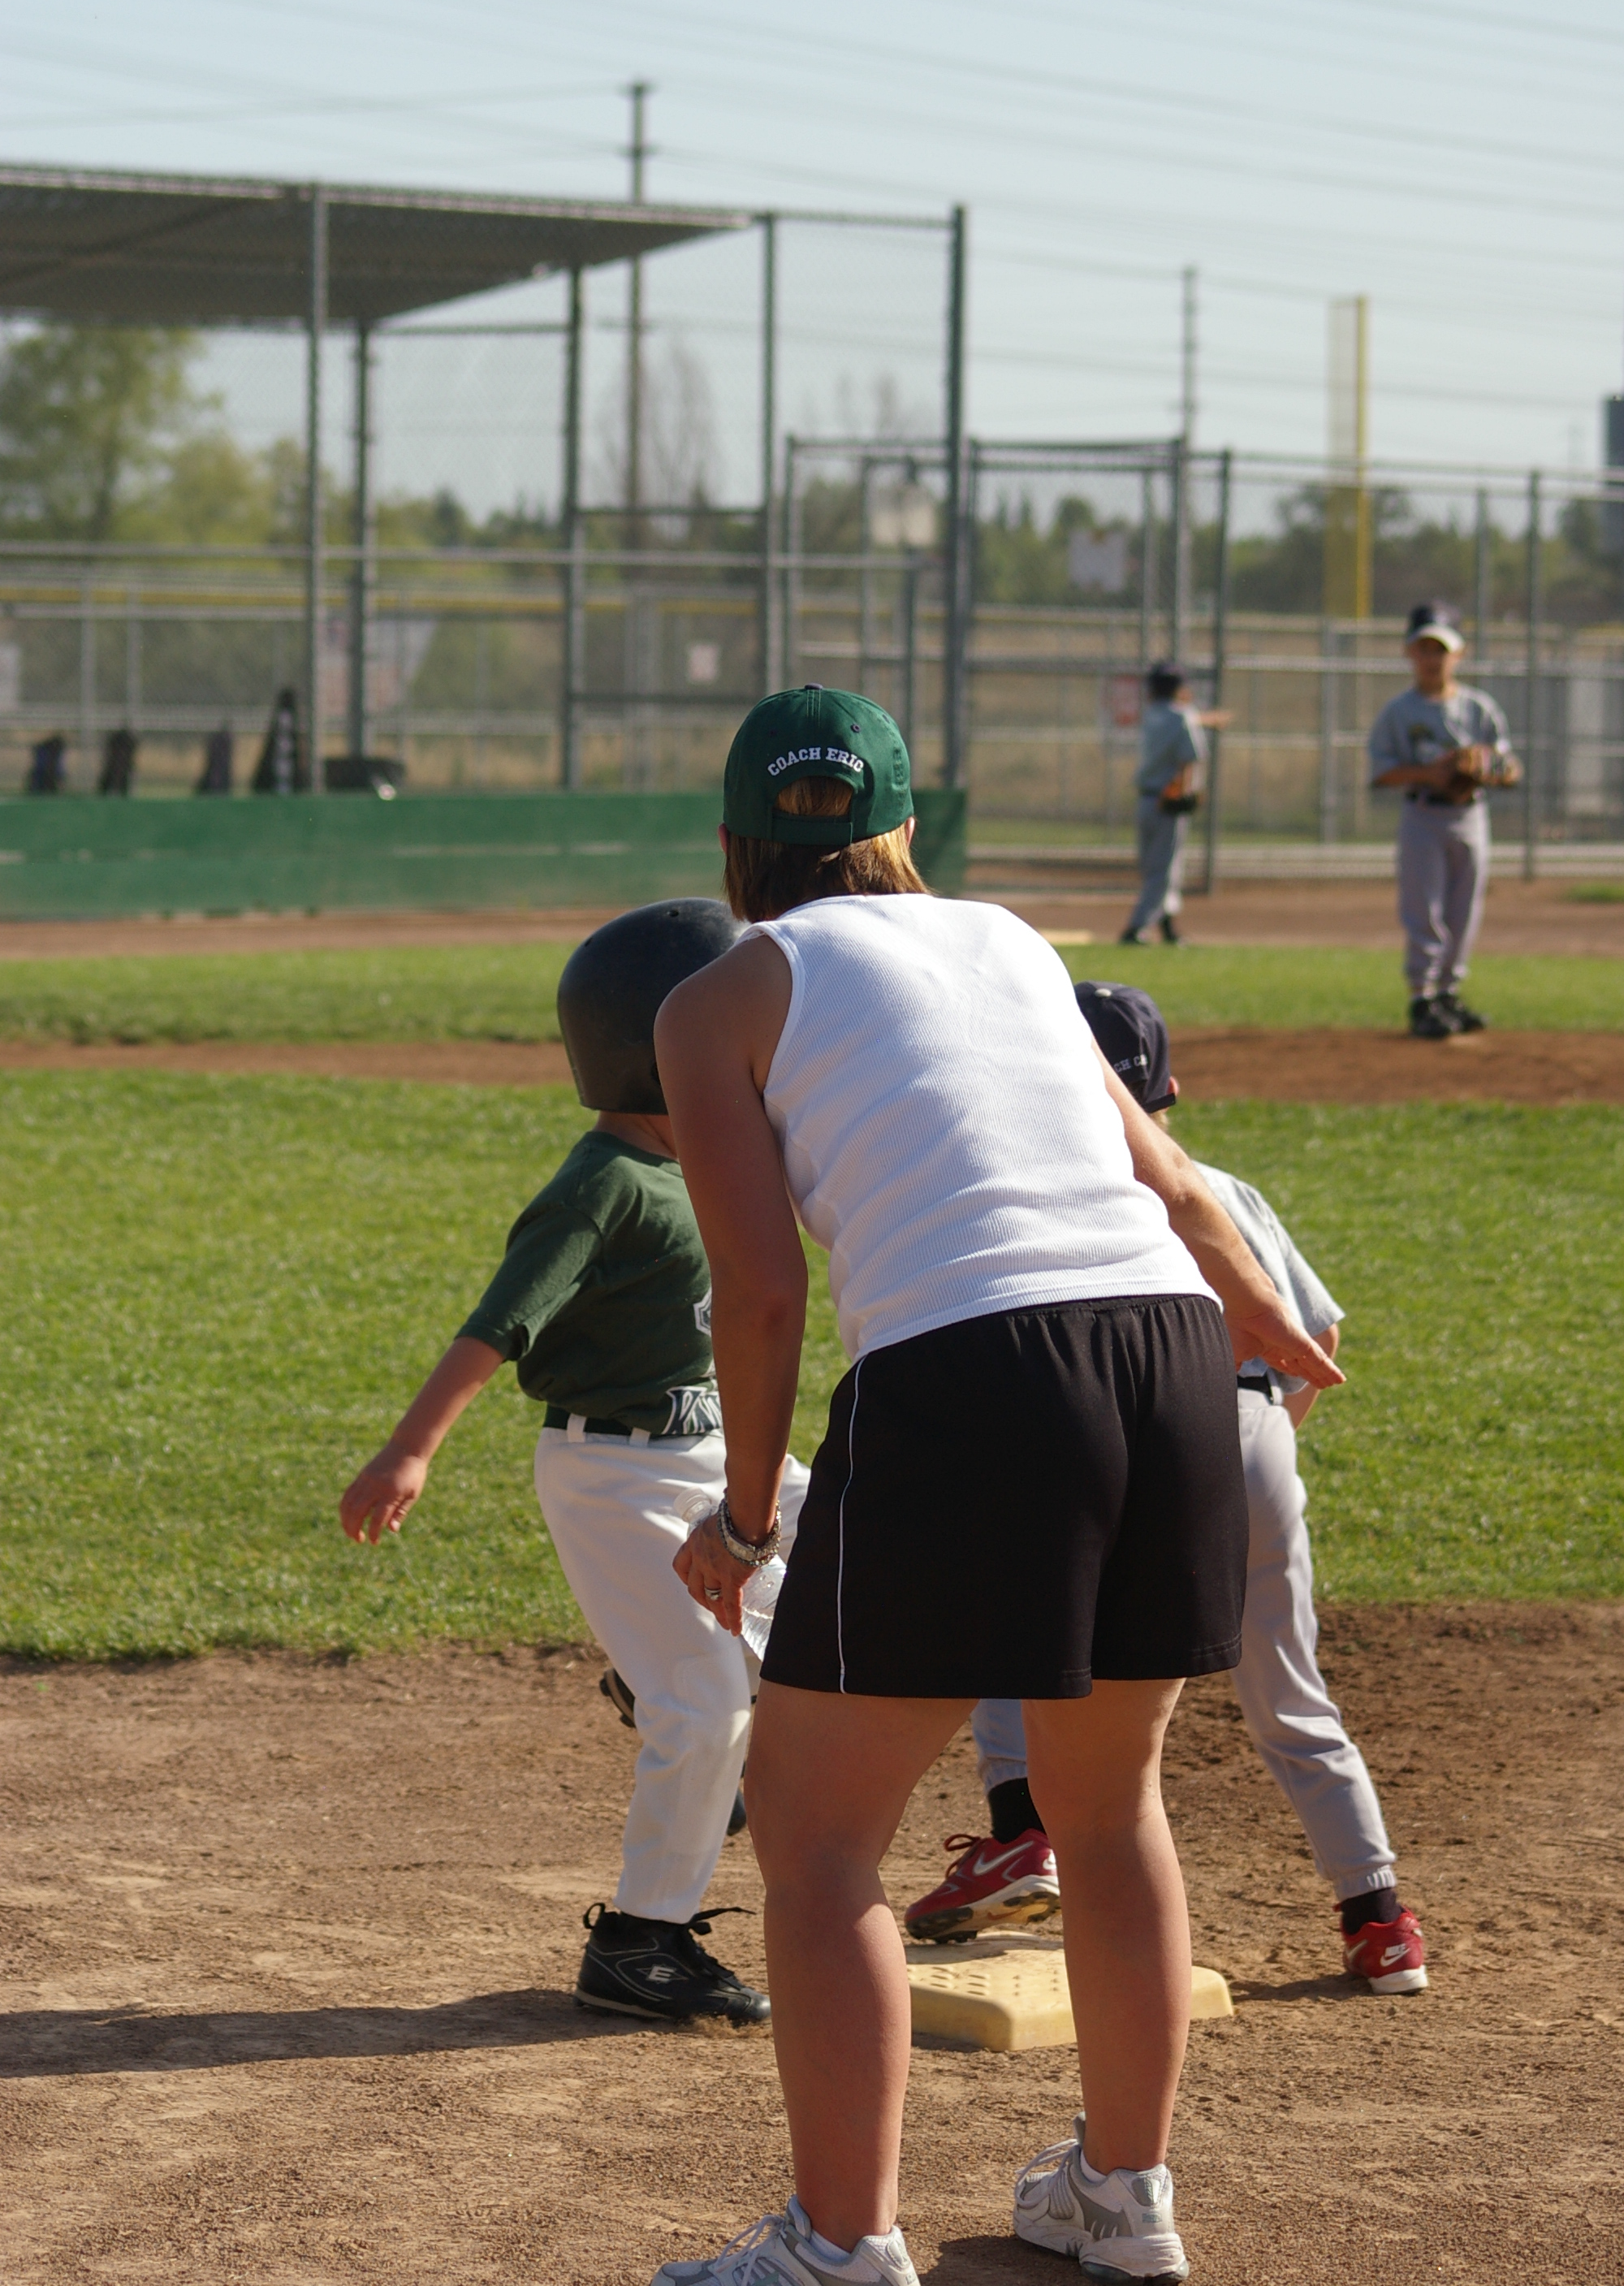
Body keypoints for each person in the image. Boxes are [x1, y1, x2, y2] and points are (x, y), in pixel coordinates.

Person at [650, 686, 1341, 2286]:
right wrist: (1265, 1321)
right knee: (1109, 1808)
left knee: (819, 1835)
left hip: (973, 1372)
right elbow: (1173, 1182)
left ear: (736, 842)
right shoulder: (1011, 940)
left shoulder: (717, 996)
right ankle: (1121, 2195)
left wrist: (745, 1517)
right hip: (1169, 1353)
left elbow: (759, 1292)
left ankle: (839, 2242)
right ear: (903, 825)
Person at [338, 898, 809, 2028]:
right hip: (618, 1475)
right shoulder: (604, 1182)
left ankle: (653, 1686)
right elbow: (499, 1323)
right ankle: (642, 1942)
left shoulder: (708, 1157)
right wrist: (409, 1450)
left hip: (723, 1450)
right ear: (661, 1046)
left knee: (859, 1586)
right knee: (706, 1704)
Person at [905, 983, 1427, 2003]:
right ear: (1170, 1088)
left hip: (1111, 1431)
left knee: (1016, 1622)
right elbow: (1314, 1335)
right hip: (1246, 1426)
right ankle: (1378, 1919)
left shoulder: (1048, 1191)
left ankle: (1021, 1832)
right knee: (1287, 1689)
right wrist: (1257, 1453)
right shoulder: (1219, 1186)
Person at [1367, 601, 1520, 1040]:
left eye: (1441, 649)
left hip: (1470, 815)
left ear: (1459, 654)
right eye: (1424, 649)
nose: (1432, 659)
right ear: (1409, 652)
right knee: (1424, 908)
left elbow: (1510, 768)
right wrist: (1430, 774)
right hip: (1423, 815)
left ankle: (1449, 993)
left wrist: (1490, 768)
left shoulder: (1478, 708)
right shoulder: (1399, 712)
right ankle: (1422, 996)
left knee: (1464, 910)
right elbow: (1381, 772)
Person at [1121, 664, 1229, 948]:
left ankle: (1167, 923)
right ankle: (1137, 927)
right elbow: (1190, 758)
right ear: (1179, 688)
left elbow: (1180, 720)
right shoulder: (1184, 716)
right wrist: (1186, 790)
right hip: (1167, 798)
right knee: (1165, 869)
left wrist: (1203, 719)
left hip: (1145, 798)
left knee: (1154, 866)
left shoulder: (1151, 715)